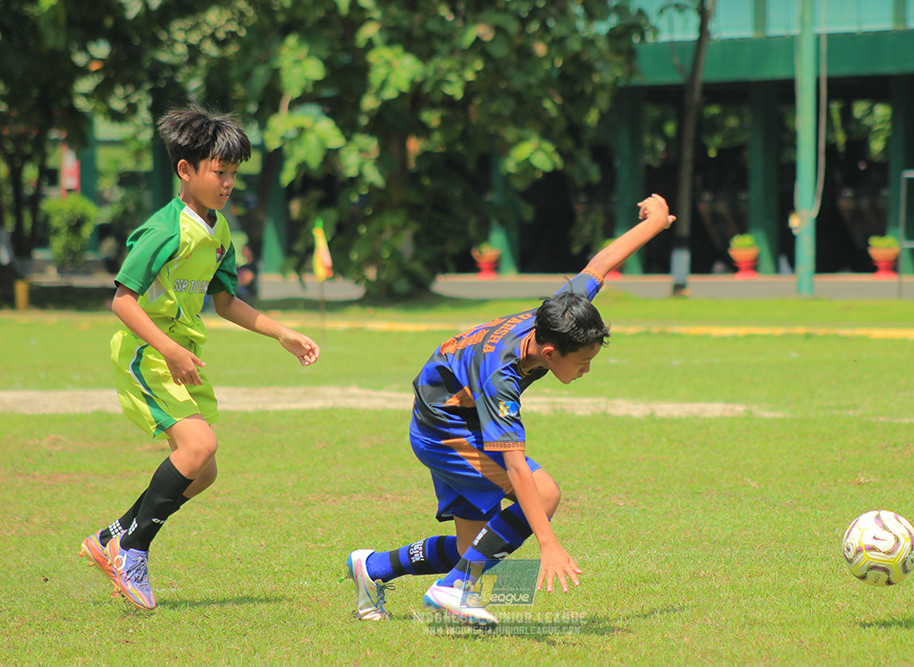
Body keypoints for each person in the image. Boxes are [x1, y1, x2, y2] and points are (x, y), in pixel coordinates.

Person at [346, 194, 674, 627]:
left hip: (450, 415)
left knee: (475, 549)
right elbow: (517, 468)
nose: (587, 370)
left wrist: (654, 222)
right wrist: (548, 542)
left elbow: (600, 264)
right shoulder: (501, 374)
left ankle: (374, 568)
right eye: (583, 362)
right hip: (445, 430)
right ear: (552, 352)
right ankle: (455, 588)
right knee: (544, 492)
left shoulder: (559, 314)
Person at [78, 105, 321, 610]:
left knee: (202, 468)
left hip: (180, 355)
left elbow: (226, 301)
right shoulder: (166, 229)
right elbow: (123, 299)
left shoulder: (219, 231)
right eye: (220, 172)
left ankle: (112, 536)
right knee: (198, 445)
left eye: (234, 174)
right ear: (186, 171)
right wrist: (168, 349)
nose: (229, 183)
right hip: (148, 353)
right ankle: (133, 549)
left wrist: (282, 334)